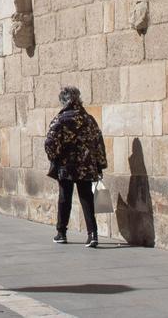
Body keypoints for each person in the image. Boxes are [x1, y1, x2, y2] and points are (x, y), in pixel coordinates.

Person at [45, 86, 107, 248]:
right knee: (86, 197)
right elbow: (98, 142)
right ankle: (92, 234)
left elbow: (50, 142)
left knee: (65, 197)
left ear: (63, 100)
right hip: (86, 165)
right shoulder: (89, 119)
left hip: (66, 166)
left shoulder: (60, 119)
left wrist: (55, 157)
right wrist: (100, 164)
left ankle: (61, 233)